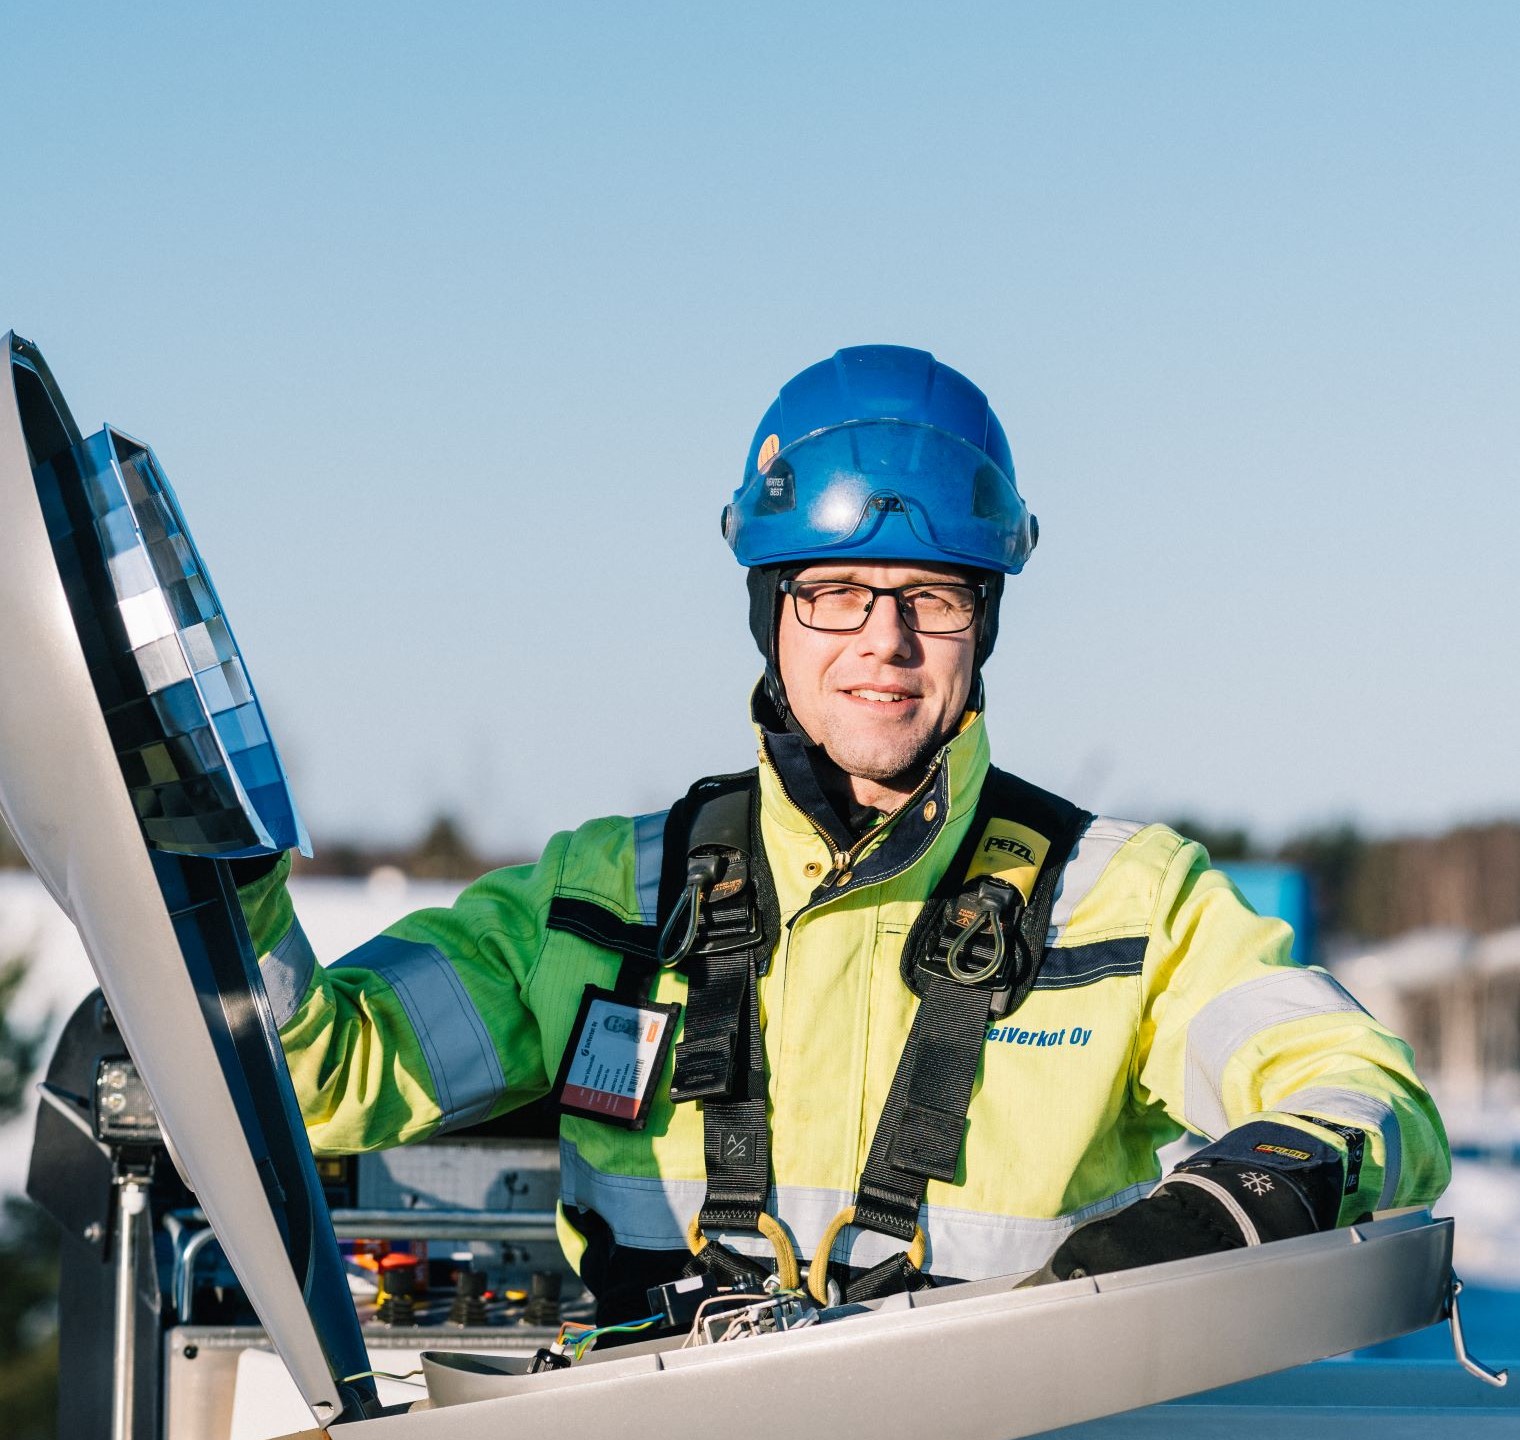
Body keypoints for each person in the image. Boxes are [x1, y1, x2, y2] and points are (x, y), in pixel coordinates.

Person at [239, 344, 1449, 1320]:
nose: (884, 640)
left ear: (983, 622)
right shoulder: (601, 896)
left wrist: (1229, 1208)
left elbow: (1368, 1093)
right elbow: (323, 1072)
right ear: (771, 613)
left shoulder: (1128, 904)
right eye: (833, 593)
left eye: (933, 595)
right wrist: (222, 873)